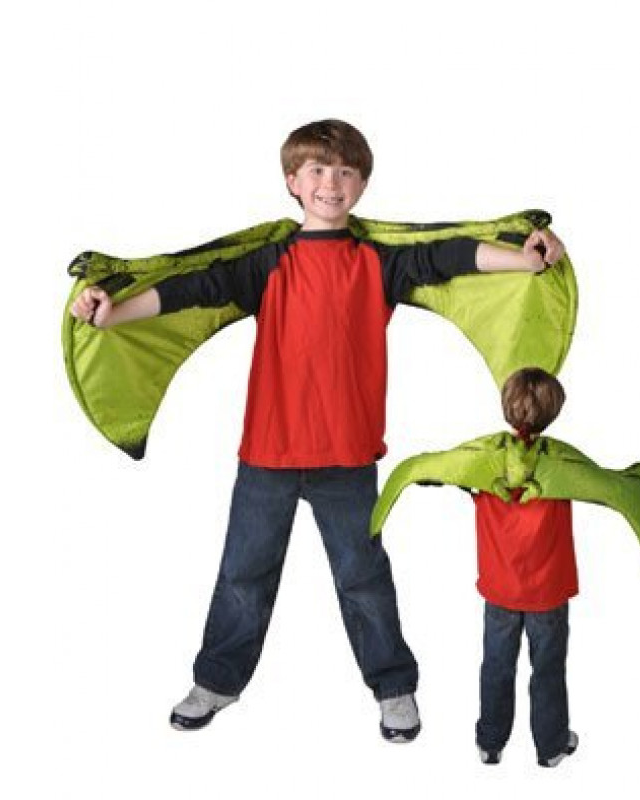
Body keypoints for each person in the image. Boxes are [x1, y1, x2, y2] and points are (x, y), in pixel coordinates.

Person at [70, 119, 565, 742]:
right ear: (293, 182)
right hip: (268, 454)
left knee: (363, 579)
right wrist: (114, 313)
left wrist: (522, 258)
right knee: (243, 576)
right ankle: (217, 681)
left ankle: (393, 687)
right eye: (318, 170)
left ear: (361, 185)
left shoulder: (378, 262)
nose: (332, 182)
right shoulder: (268, 262)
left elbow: (450, 256)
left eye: (346, 171)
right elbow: (192, 288)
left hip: (347, 456)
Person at [473, 367, 578, 767]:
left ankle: (490, 742)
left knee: (496, 666)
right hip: (547, 592)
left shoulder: (485, 462)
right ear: (553, 412)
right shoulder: (562, 464)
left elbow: (450, 471)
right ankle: (551, 746)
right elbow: (602, 484)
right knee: (547, 670)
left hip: (500, 589)